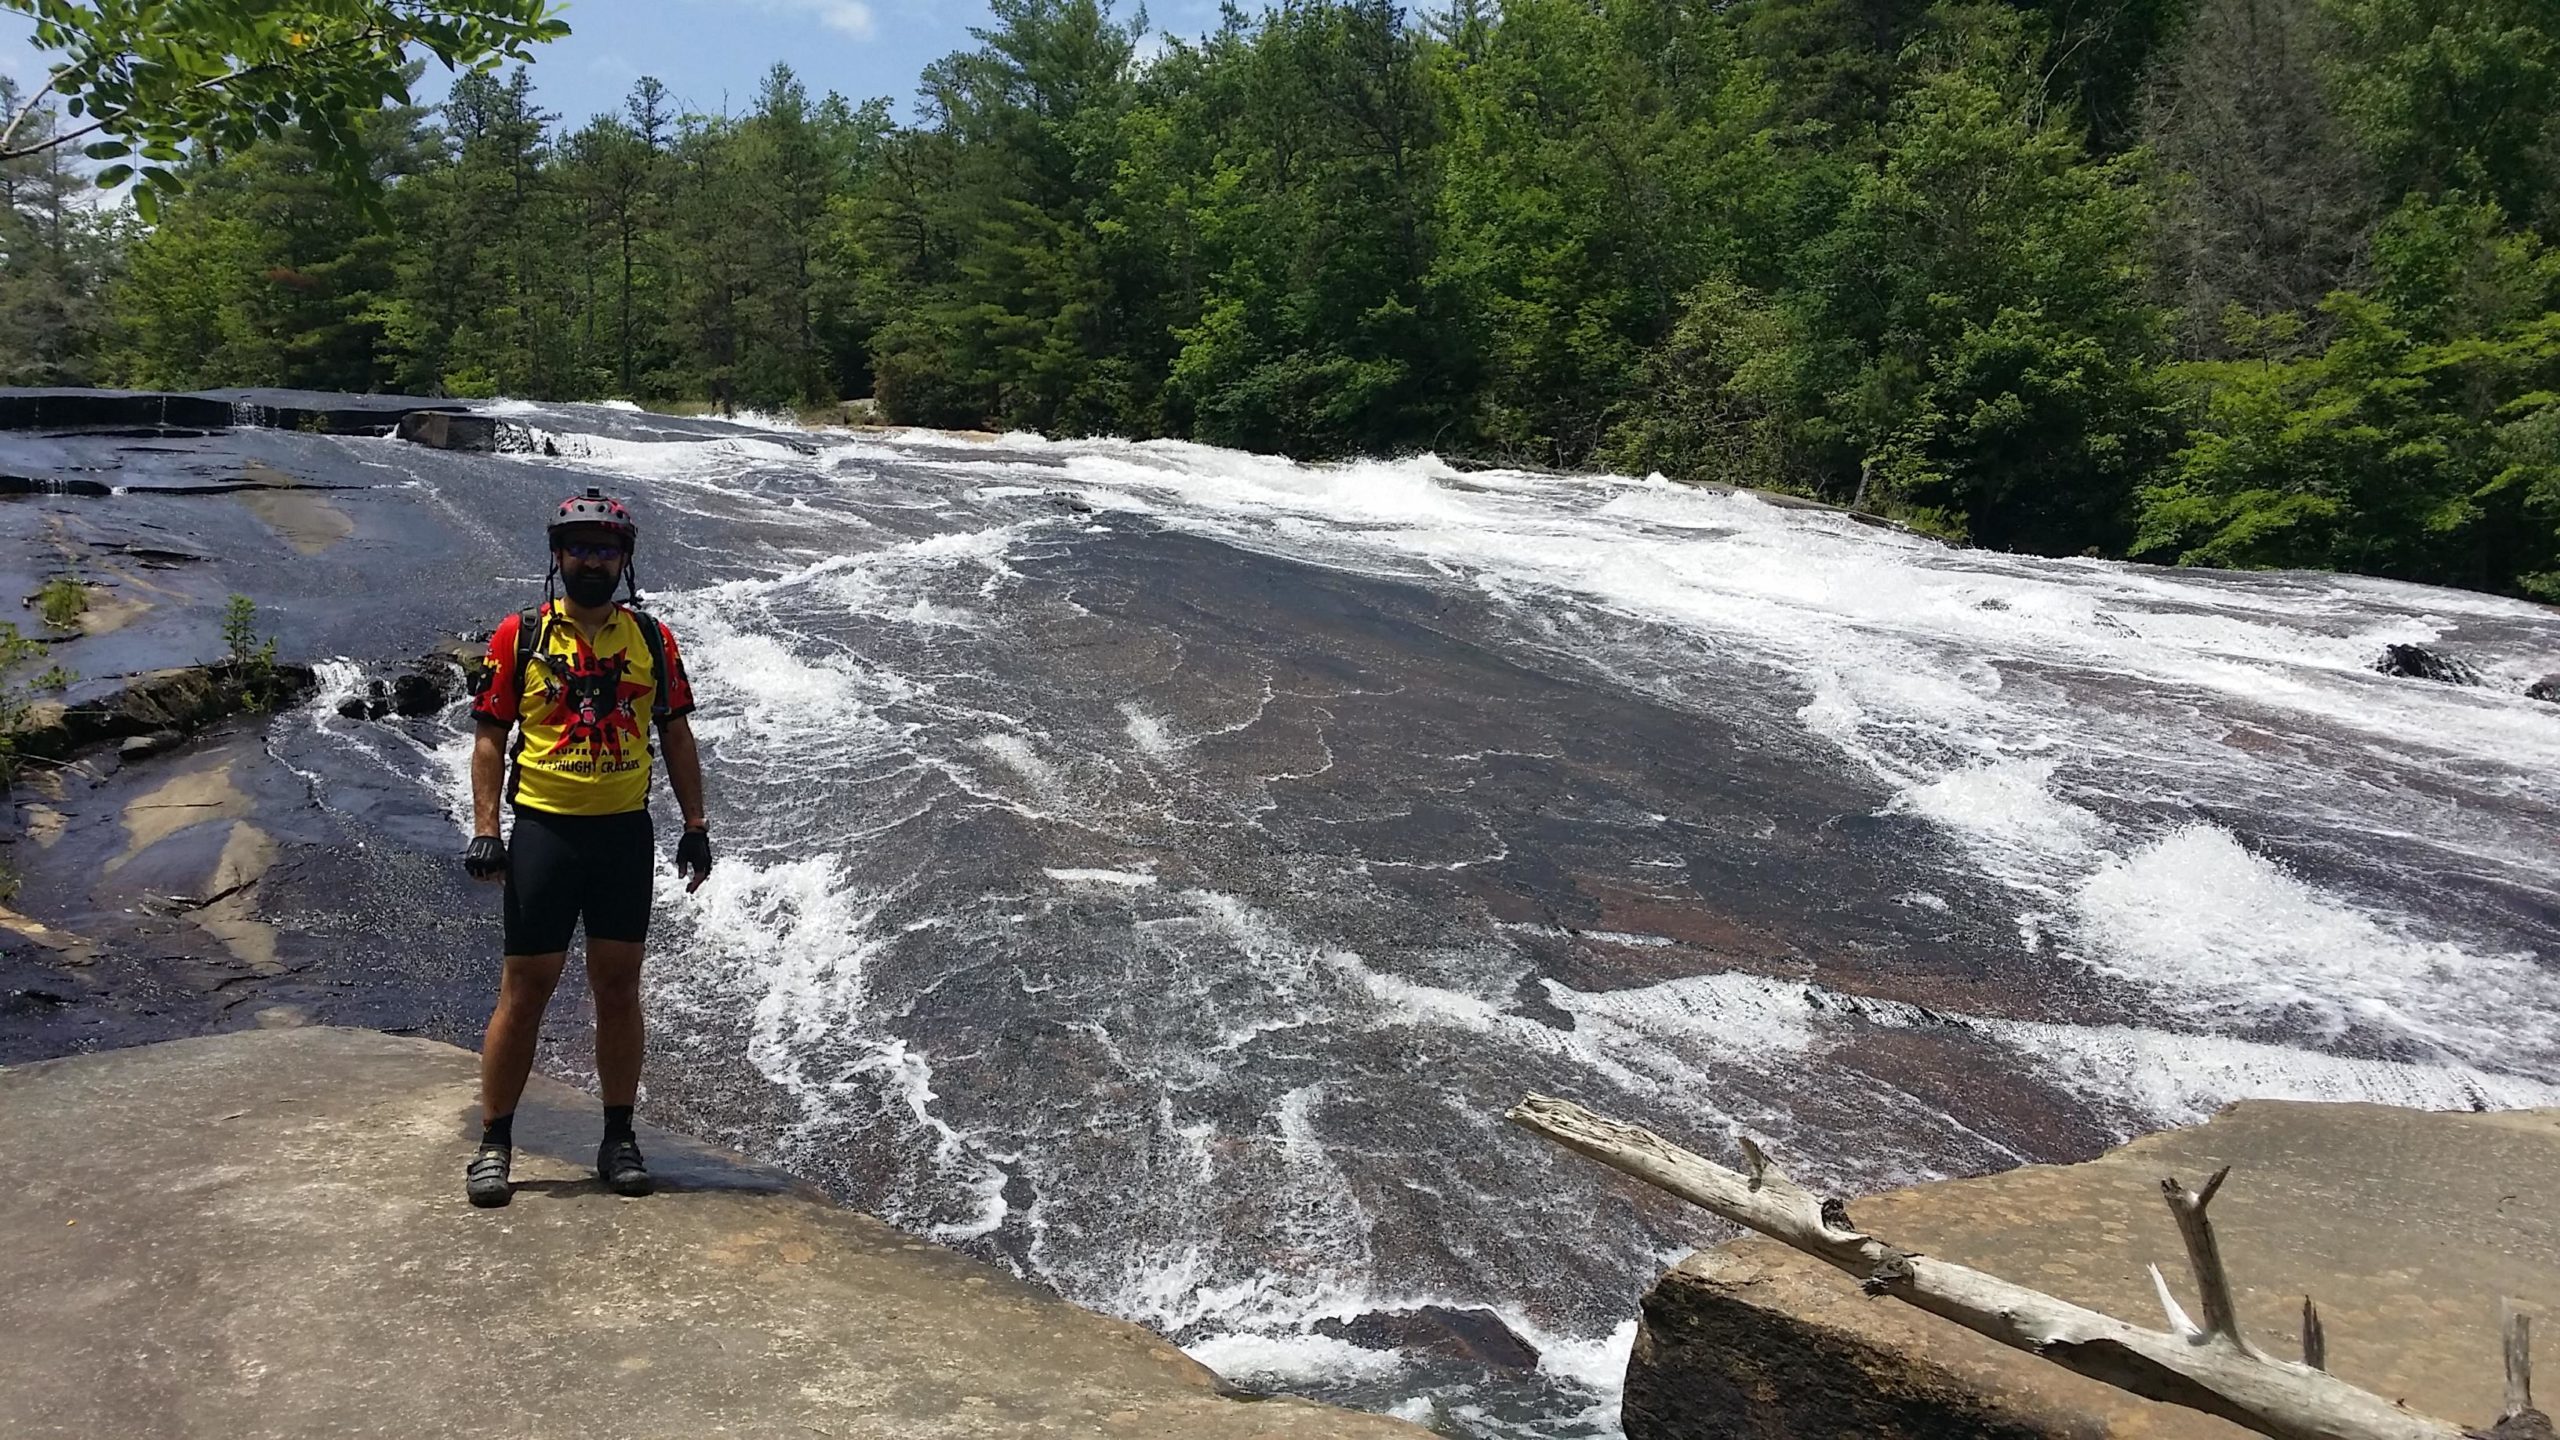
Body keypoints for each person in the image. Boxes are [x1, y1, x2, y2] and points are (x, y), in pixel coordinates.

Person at [459, 487, 714, 1208]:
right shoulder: (522, 635)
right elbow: (489, 736)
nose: (592, 560)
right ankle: (495, 1143)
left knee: (617, 985)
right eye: (580, 548)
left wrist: (695, 826)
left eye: (606, 549)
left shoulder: (653, 641)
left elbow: (676, 734)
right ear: (558, 555)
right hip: (544, 831)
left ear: (624, 559)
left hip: (622, 834)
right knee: (527, 988)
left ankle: (618, 1137)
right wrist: (486, 829)